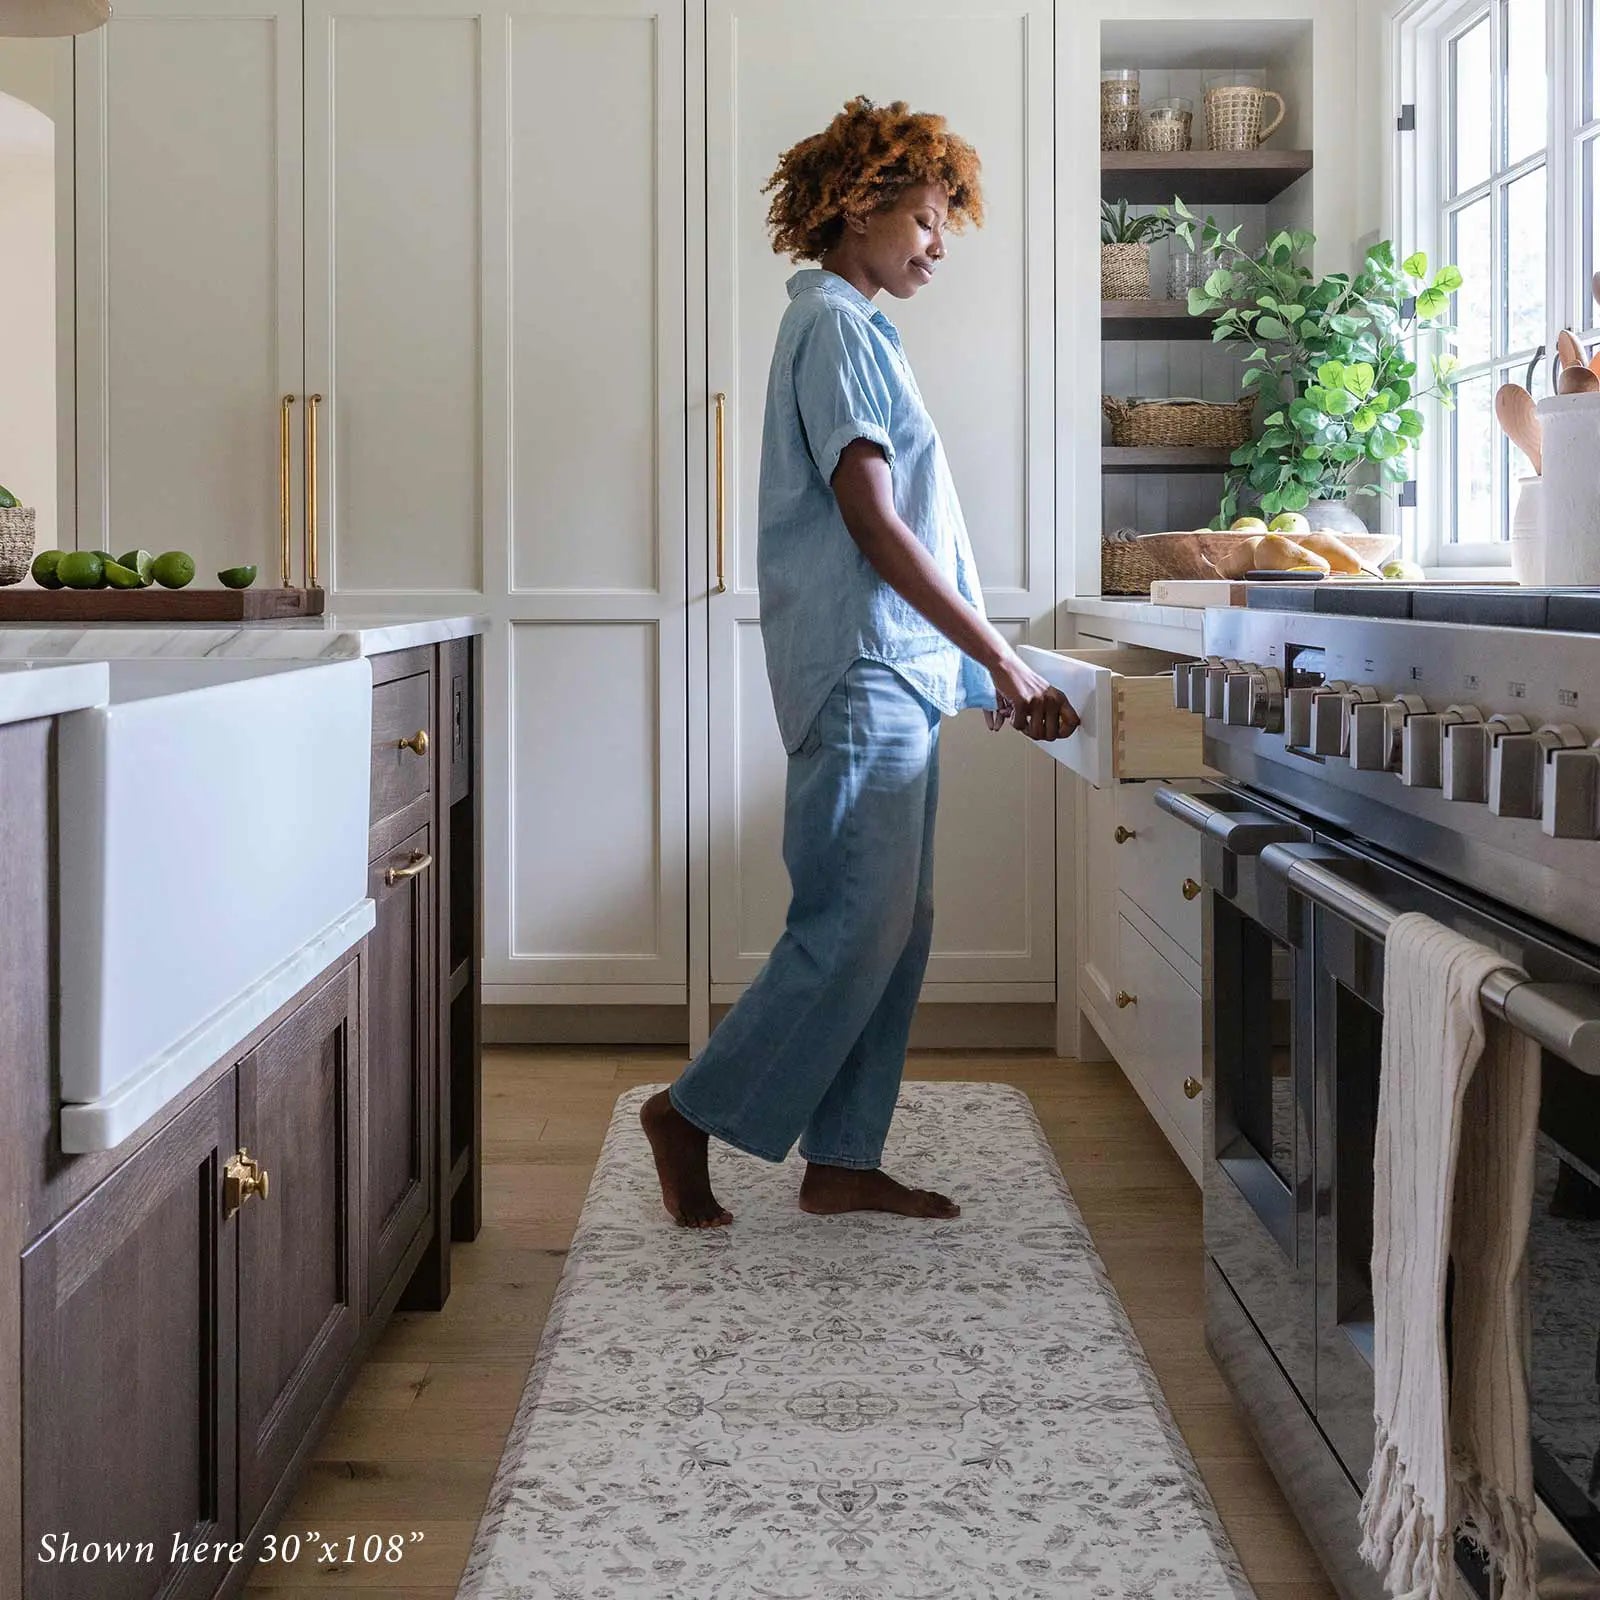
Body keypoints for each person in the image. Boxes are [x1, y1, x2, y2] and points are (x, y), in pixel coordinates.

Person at [642, 95, 1077, 1229]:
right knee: (851, 923)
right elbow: (874, 523)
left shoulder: (857, 329)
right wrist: (999, 658)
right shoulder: (834, 327)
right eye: (926, 219)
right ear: (859, 205)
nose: (938, 244)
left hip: (893, 668)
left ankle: (841, 1158)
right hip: (860, 670)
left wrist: (976, 667)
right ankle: (688, 1114)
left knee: (893, 923)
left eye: (944, 223)